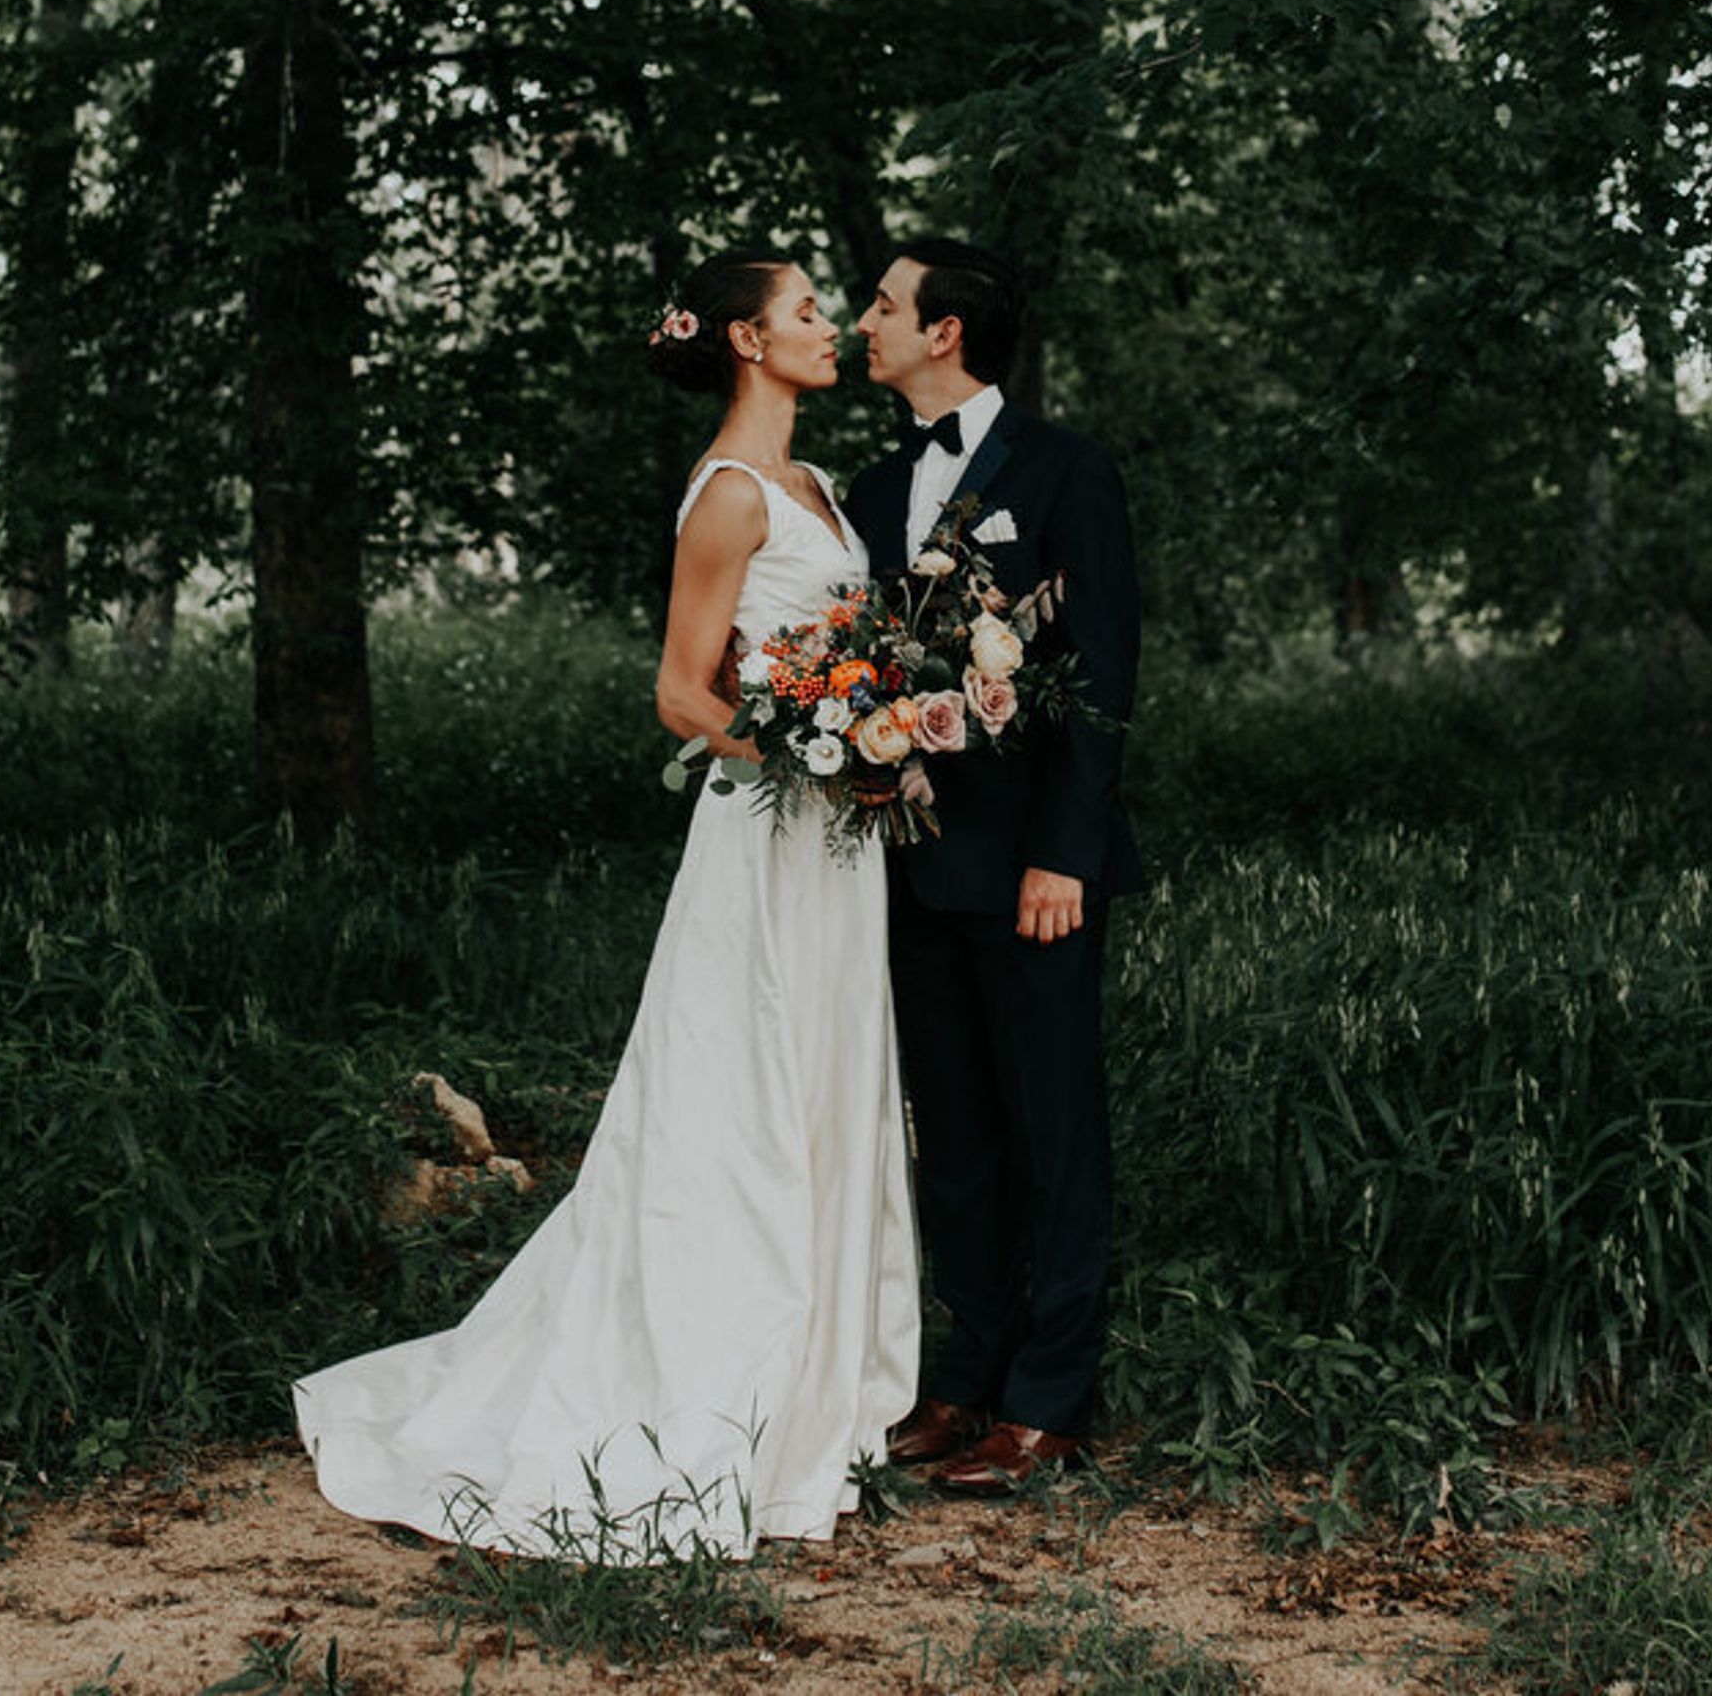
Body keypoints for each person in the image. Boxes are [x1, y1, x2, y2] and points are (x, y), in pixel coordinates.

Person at [294, 254, 918, 1559]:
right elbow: (683, 693)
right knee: (741, 1095)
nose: (831, 327)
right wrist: (809, 747)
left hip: (841, 845)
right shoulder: (732, 493)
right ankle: (715, 1384)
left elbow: (833, 654)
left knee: (826, 1082)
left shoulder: (817, 484)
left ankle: (816, 1389)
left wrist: (873, 734)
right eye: (808, 312)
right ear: (748, 339)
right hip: (768, 833)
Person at [849, 240, 1141, 1496]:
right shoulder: (871, 490)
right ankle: (964, 1379)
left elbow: (1103, 673)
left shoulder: (1067, 470)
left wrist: (1063, 854)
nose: (864, 322)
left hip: (1033, 873)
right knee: (954, 1134)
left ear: (947, 331)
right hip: (911, 864)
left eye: (883, 305)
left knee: (1053, 1132)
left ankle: (1049, 1402)